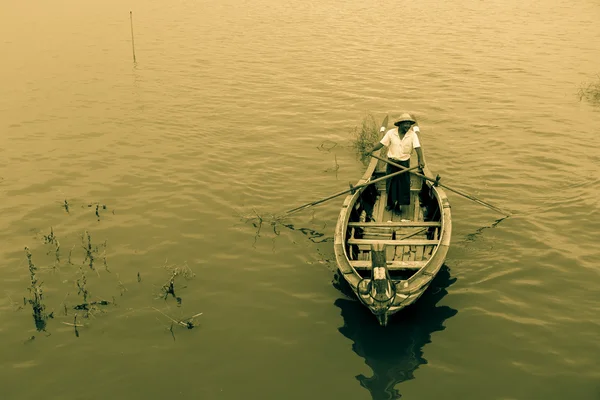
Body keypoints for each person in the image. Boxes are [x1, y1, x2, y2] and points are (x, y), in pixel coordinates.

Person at [368, 113, 425, 212]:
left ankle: (399, 205)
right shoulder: (391, 133)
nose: (407, 126)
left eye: (409, 124)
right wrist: (371, 150)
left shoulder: (412, 135)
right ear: (400, 124)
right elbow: (381, 144)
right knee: (390, 184)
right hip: (391, 162)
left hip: (404, 163)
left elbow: (417, 148)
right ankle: (390, 204)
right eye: (405, 124)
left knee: (402, 185)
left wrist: (421, 160)